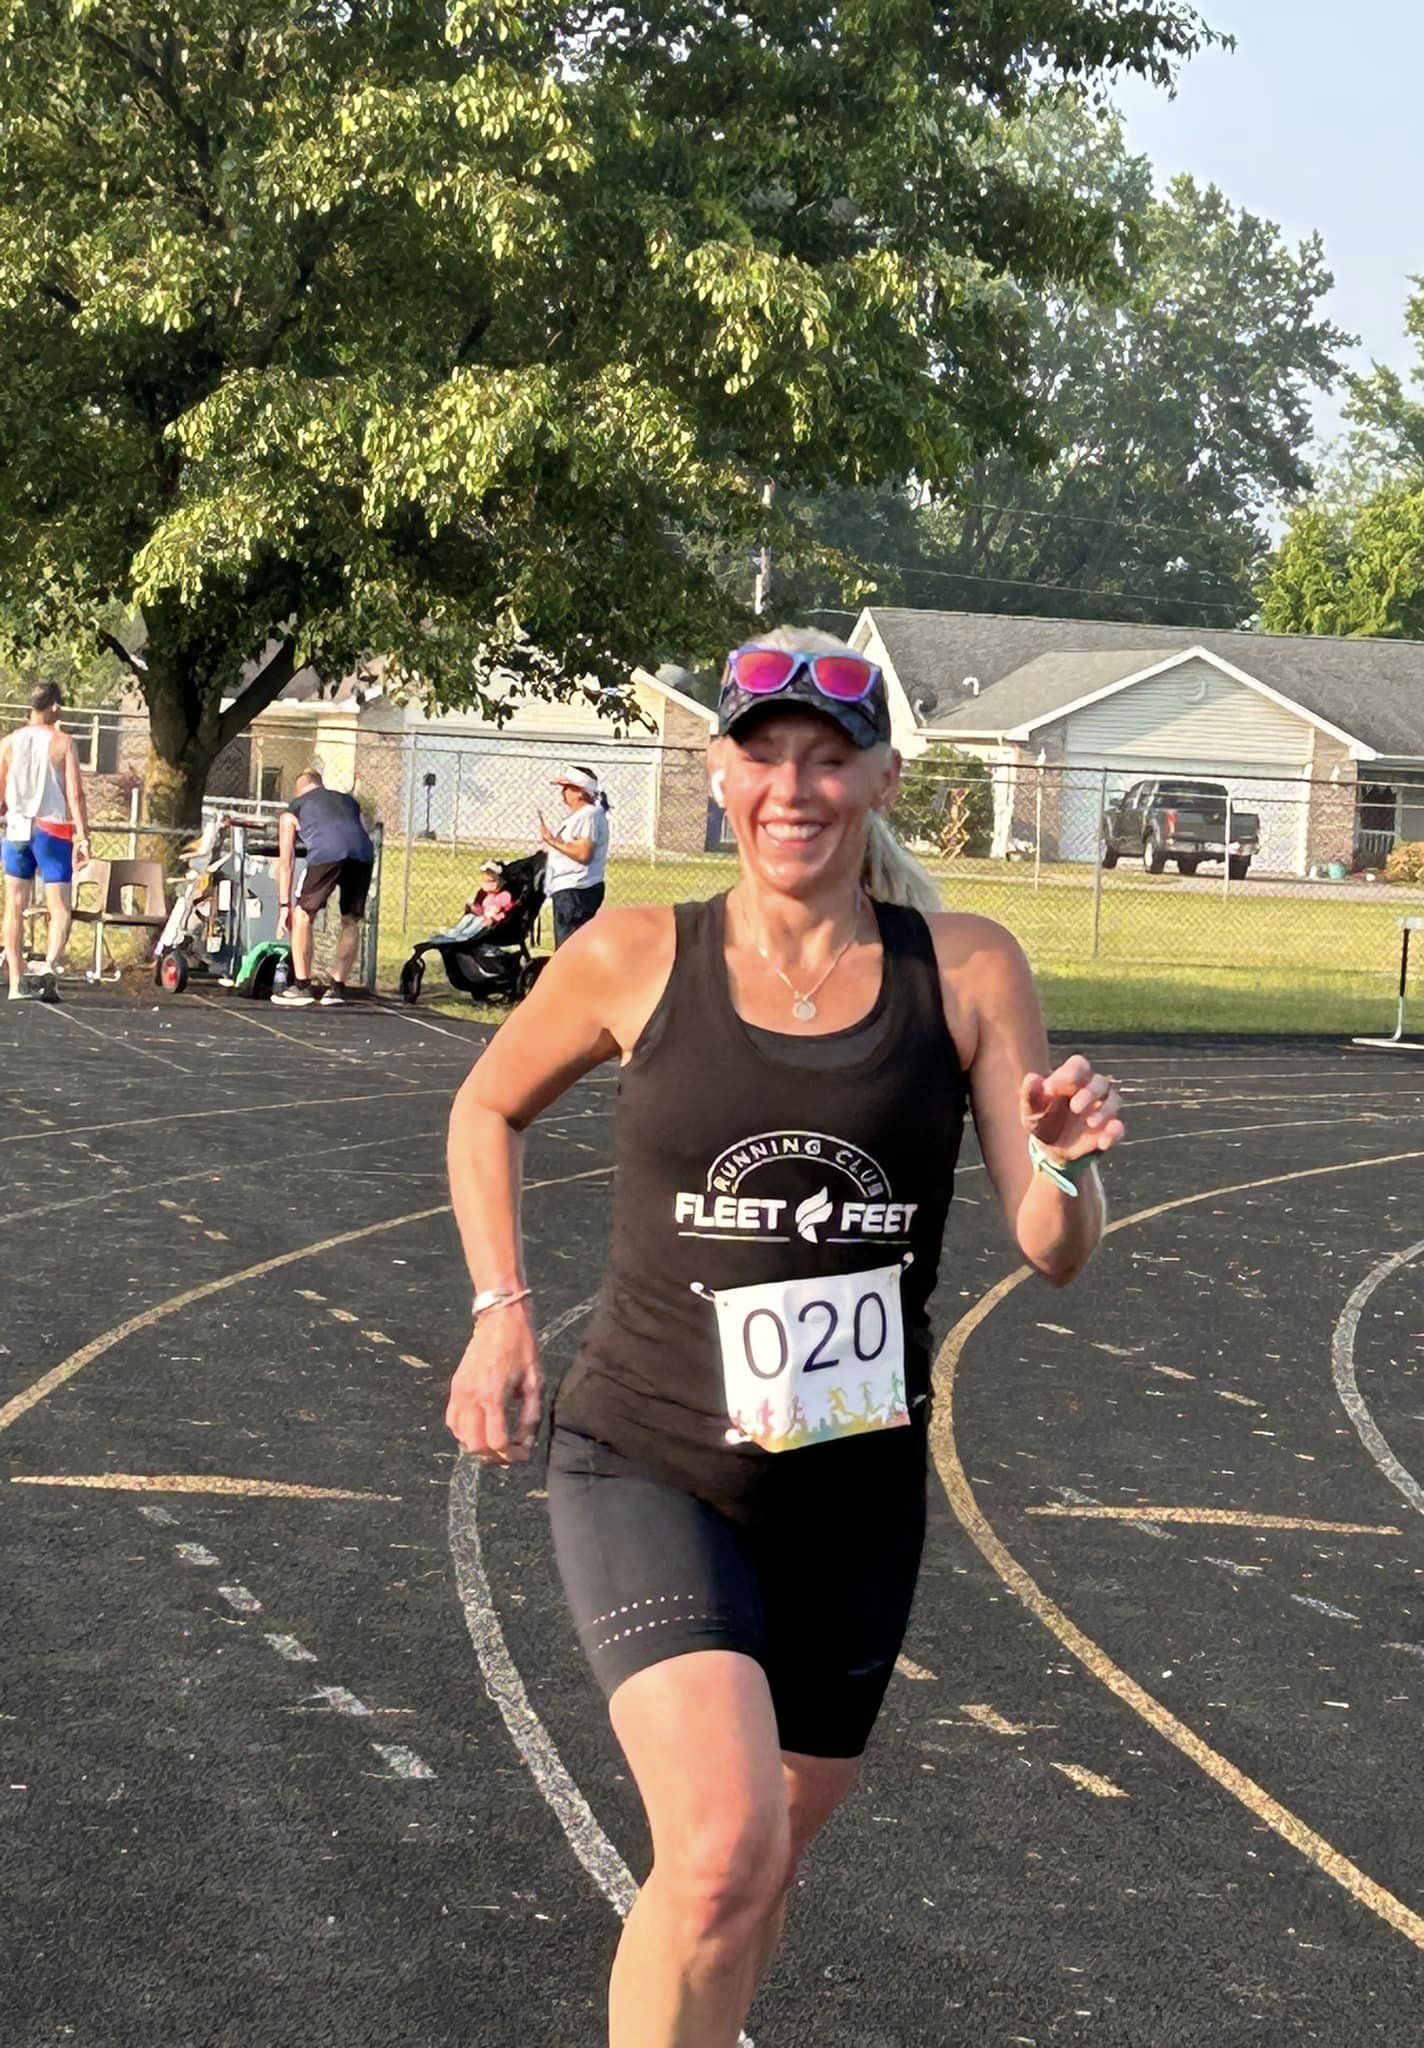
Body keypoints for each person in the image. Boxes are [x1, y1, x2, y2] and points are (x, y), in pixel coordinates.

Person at [444, 626, 1125, 2048]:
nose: (794, 790)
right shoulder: (636, 953)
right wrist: (499, 1311)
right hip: (651, 1462)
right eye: (766, 759)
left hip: (851, 1490)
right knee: (721, 1849)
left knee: (756, 1870)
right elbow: (486, 1105)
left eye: (829, 761)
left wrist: (1066, 1163)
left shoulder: (965, 968)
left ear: (881, 782)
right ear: (719, 774)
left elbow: (1052, 1250)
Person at [0, 681, 91, 1002]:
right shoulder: (62, 742)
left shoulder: (8, 743)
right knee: (60, 907)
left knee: (14, 906)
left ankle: (15, 983)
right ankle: (49, 965)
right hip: (52, 829)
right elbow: (75, 794)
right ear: (53, 706)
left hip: (17, 829)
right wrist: (83, 835)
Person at [273, 767, 374, 1007]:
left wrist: (284, 906)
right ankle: (336, 989)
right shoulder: (348, 801)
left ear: (299, 790)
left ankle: (301, 986)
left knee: (303, 914)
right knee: (350, 920)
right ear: (320, 784)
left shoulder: (294, 808)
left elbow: (286, 862)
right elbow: (359, 829)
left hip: (327, 853)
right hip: (363, 854)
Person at [539, 764, 609, 946]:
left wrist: (552, 841)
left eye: (568, 788)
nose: (563, 793)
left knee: (568, 948)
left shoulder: (588, 815)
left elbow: (583, 854)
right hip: (571, 890)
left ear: (580, 792)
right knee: (572, 947)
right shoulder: (583, 816)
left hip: (576, 890)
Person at [429, 861, 516, 946]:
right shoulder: (484, 895)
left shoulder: (505, 896)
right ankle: (454, 933)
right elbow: (481, 909)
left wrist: (494, 919)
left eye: (491, 881)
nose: (488, 885)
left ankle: (465, 936)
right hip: (481, 916)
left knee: (478, 921)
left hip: (491, 923)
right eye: (485, 881)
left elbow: (507, 912)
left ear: (501, 881)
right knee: (469, 917)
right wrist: (474, 908)